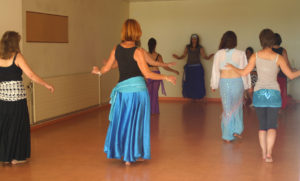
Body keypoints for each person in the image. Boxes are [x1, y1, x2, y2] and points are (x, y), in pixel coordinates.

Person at [91, 19, 176, 166]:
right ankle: (132, 155)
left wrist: (97, 71)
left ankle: (126, 153)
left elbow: (104, 69)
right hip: (137, 92)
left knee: (123, 122)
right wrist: (166, 77)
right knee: (136, 123)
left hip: (123, 93)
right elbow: (148, 74)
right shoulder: (137, 51)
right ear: (137, 32)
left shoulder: (116, 48)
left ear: (124, 31)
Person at [226, 29, 300, 162]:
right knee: (272, 126)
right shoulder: (279, 57)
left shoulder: (255, 56)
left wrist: (232, 67)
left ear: (261, 41)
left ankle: (263, 152)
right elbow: (291, 75)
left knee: (263, 126)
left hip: (259, 93)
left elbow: (244, 72)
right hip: (273, 93)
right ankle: (269, 154)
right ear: (272, 41)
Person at [0, 31, 54, 165]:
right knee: (17, 126)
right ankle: (16, 157)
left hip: (2, 98)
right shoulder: (17, 57)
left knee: (4, 126)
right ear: (15, 42)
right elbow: (30, 74)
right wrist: (45, 84)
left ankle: (4, 156)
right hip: (17, 99)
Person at [210, 31, 251, 142]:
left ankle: (227, 135)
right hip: (237, 82)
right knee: (237, 107)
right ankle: (236, 130)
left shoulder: (218, 54)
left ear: (223, 40)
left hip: (224, 83)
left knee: (227, 108)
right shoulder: (241, 53)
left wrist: (214, 84)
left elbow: (215, 71)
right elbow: (244, 71)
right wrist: (247, 85)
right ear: (235, 41)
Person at [173, 34, 213, 100]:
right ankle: (190, 97)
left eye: (195, 39)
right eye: (192, 39)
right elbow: (183, 55)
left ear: (197, 40)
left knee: (198, 84)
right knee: (189, 84)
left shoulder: (200, 47)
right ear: (191, 39)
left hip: (197, 68)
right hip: (189, 68)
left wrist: (209, 57)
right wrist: (178, 57)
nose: (194, 40)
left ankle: (198, 97)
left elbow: (204, 56)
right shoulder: (187, 47)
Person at [146, 38, 179, 114]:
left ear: (148, 45)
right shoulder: (158, 56)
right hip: (156, 74)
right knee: (154, 94)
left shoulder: (146, 55)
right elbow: (164, 66)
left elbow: (142, 66)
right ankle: (154, 112)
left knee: (148, 94)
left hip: (149, 74)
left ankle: (148, 112)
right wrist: (174, 71)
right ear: (155, 45)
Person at [272, 33, 292, 109]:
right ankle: (279, 109)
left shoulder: (269, 50)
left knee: (272, 92)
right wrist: (291, 69)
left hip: (271, 75)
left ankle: (273, 109)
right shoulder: (283, 50)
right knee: (281, 92)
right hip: (281, 74)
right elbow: (287, 63)